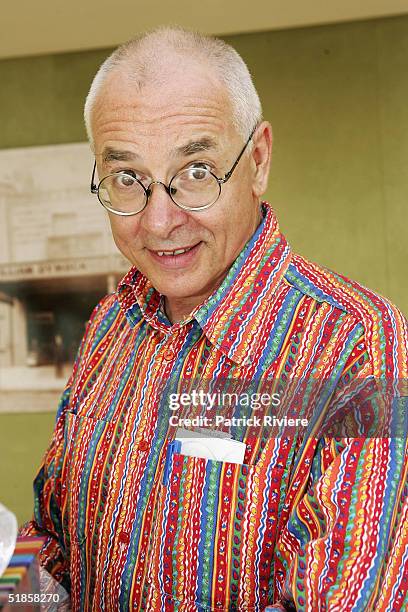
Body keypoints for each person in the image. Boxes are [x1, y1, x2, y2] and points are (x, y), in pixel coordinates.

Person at [20, 27, 408, 611]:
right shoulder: (109, 325)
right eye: (128, 178)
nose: (159, 223)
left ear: (257, 161)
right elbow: (54, 551)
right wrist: (9, 576)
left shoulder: (358, 346)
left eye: (196, 170)